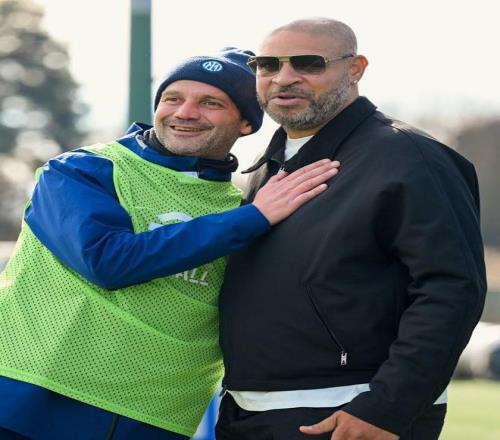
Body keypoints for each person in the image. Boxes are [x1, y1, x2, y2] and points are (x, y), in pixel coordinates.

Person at [0, 47, 339, 440]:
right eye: (172, 98)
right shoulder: (82, 169)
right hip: (28, 401)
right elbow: (107, 261)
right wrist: (254, 218)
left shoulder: (247, 207)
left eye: (210, 103)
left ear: (246, 123)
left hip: (156, 418)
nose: (185, 113)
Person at [217, 19, 486, 440]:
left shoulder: (410, 158)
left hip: (351, 413)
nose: (284, 78)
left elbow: (452, 288)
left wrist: (386, 408)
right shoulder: (264, 169)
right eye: (268, 65)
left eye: (307, 63)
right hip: (247, 410)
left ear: (355, 69)